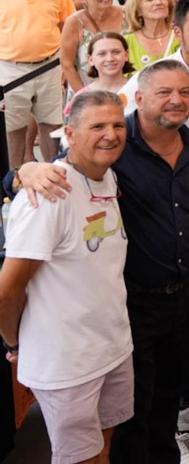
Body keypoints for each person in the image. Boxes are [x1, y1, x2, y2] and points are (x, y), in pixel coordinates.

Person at [14, 62, 189, 464]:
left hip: (181, 298)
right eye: (164, 92)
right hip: (132, 304)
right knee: (130, 419)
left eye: (184, 92)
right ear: (138, 98)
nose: (176, 100)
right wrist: (24, 170)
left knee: (166, 402)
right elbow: (55, 173)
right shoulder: (114, 147)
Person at [0, 90, 134, 464]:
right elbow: (8, 290)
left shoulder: (108, 177)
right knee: (79, 458)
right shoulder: (47, 195)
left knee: (103, 447)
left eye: (118, 125)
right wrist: (15, 343)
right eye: (98, 126)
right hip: (67, 361)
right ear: (69, 134)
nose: (111, 134)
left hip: (112, 347)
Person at [0, 0, 74, 166]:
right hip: (10, 69)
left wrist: (66, 64)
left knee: (52, 126)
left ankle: (54, 171)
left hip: (50, 66)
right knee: (13, 128)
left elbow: (67, 24)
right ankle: (14, 179)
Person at [62, 0, 126, 92]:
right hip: (87, 91)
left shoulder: (127, 15)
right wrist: (84, 95)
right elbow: (67, 65)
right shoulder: (74, 22)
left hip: (125, 89)